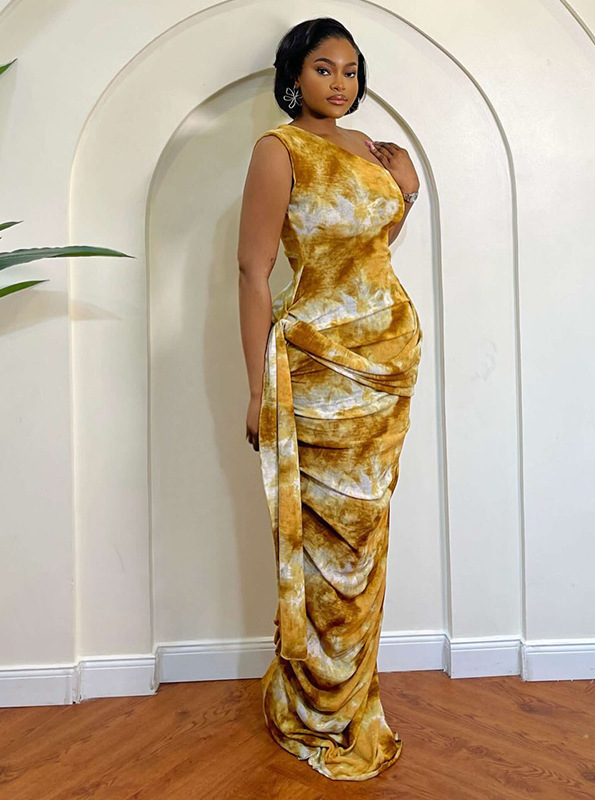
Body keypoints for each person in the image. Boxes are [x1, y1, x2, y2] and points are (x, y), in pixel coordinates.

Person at [237, 17, 423, 781]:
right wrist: (257, 388)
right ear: (294, 76)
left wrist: (406, 189)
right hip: (316, 370)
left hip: (384, 366)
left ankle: (352, 698)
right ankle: (313, 703)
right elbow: (252, 271)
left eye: (350, 69)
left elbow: (367, 246)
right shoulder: (278, 150)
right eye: (323, 68)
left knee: (366, 538)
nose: (339, 82)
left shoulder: (371, 149)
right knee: (323, 544)